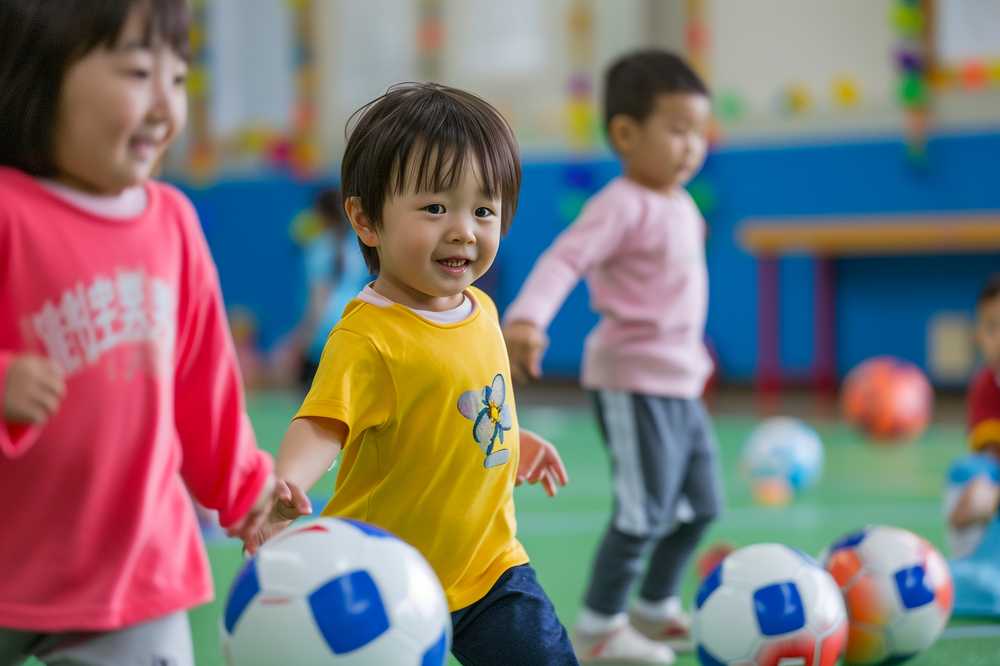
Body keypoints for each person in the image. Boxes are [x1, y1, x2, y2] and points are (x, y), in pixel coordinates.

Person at [0, 1, 306, 663]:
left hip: (130, 568)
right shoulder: (9, 215)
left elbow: (205, 385)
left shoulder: (172, 223)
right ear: (37, 75)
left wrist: (244, 489)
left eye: (178, 76)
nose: (166, 103)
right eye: (139, 72)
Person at [245, 82, 576, 665]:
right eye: (434, 208)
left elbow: (464, 402)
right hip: (381, 579)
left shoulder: (484, 311)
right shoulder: (368, 335)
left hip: (490, 567)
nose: (463, 230)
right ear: (367, 220)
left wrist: (510, 441)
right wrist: (286, 480)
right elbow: (324, 423)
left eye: (483, 210)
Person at [502, 49, 721, 665]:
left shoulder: (682, 206)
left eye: (699, 133)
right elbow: (566, 257)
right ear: (625, 133)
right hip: (633, 381)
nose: (692, 147)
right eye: (677, 131)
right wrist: (526, 317)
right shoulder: (621, 202)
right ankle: (600, 628)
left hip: (683, 382)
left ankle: (653, 606)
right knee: (642, 511)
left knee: (703, 504)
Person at [947, 274, 1000, 616]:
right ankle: (982, 567)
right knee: (970, 473)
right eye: (993, 327)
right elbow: (989, 458)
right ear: (978, 335)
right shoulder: (986, 386)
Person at [288, 187, 370, 392]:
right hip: (352, 327)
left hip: (322, 338)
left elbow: (320, 300)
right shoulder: (357, 248)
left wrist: (301, 340)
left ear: (319, 214)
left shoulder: (318, 248)